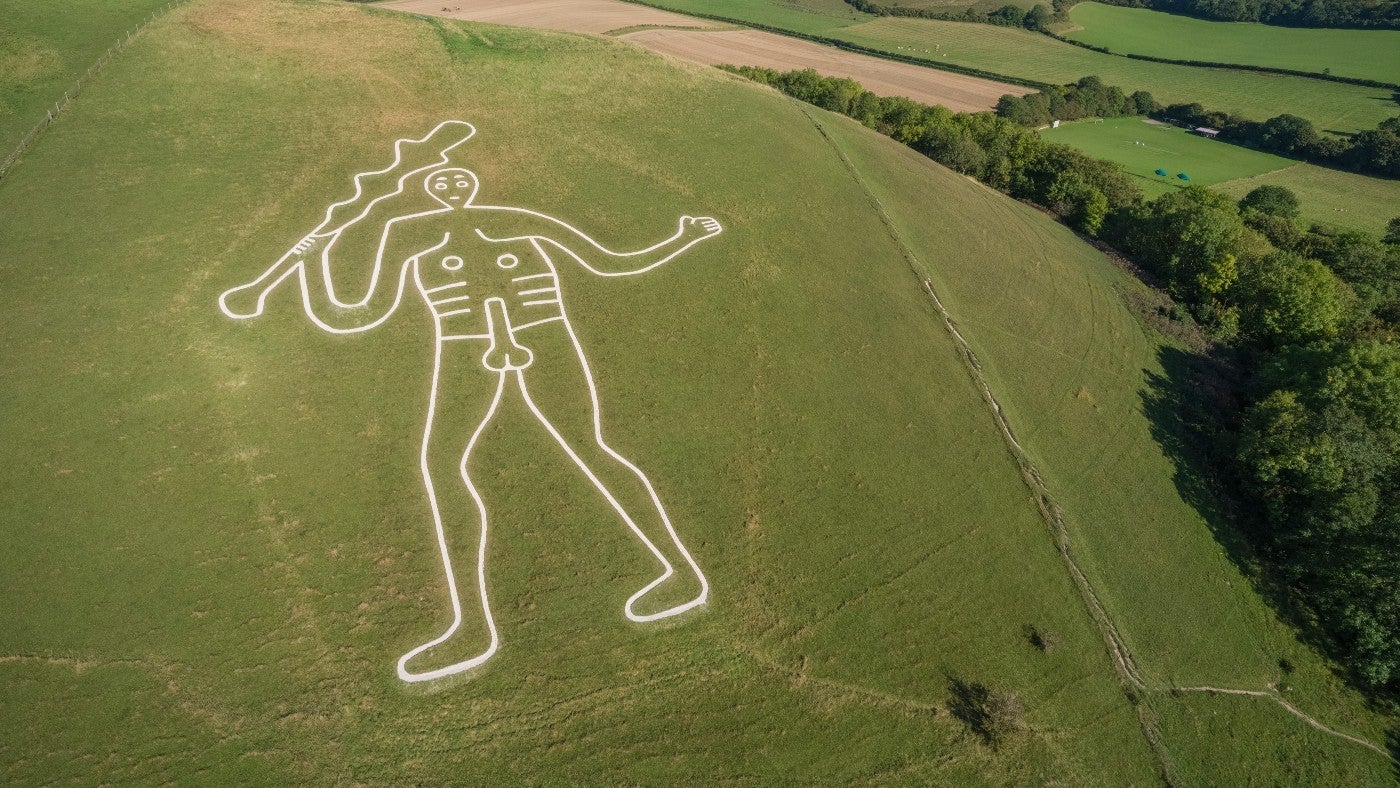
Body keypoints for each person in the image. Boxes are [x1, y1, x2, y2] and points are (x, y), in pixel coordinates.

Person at [219, 125, 721, 682]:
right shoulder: (407, 232)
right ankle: (472, 628)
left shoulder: (515, 219)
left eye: (458, 175)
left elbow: (607, 261)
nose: (452, 183)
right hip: (464, 347)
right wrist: (314, 262)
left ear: (472, 181)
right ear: (431, 190)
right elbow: (355, 312)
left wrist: (684, 237)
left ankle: (680, 573)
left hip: (543, 333)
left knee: (589, 446)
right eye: (441, 179)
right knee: (443, 466)